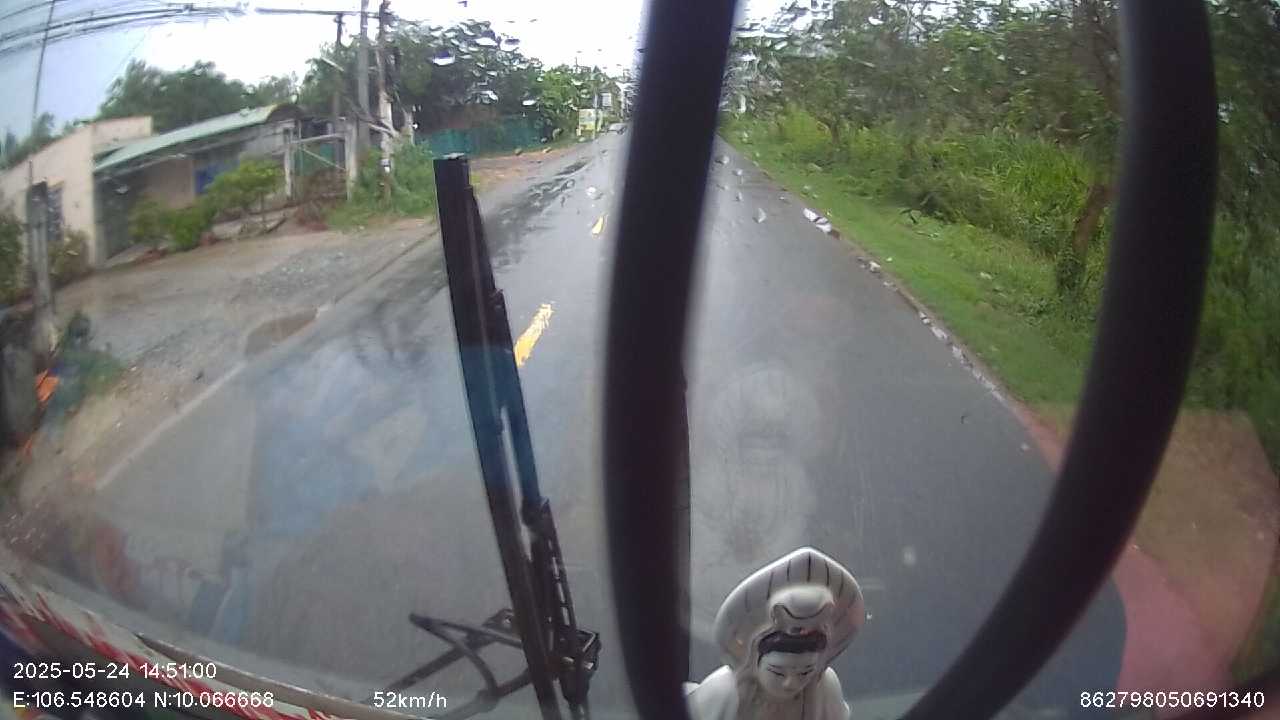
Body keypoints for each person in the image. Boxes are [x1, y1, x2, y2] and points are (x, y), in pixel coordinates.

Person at [686, 547, 865, 720]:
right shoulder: (725, 692)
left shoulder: (824, 689)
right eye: (778, 672)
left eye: (804, 673)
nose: (791, 684)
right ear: (755, 662)